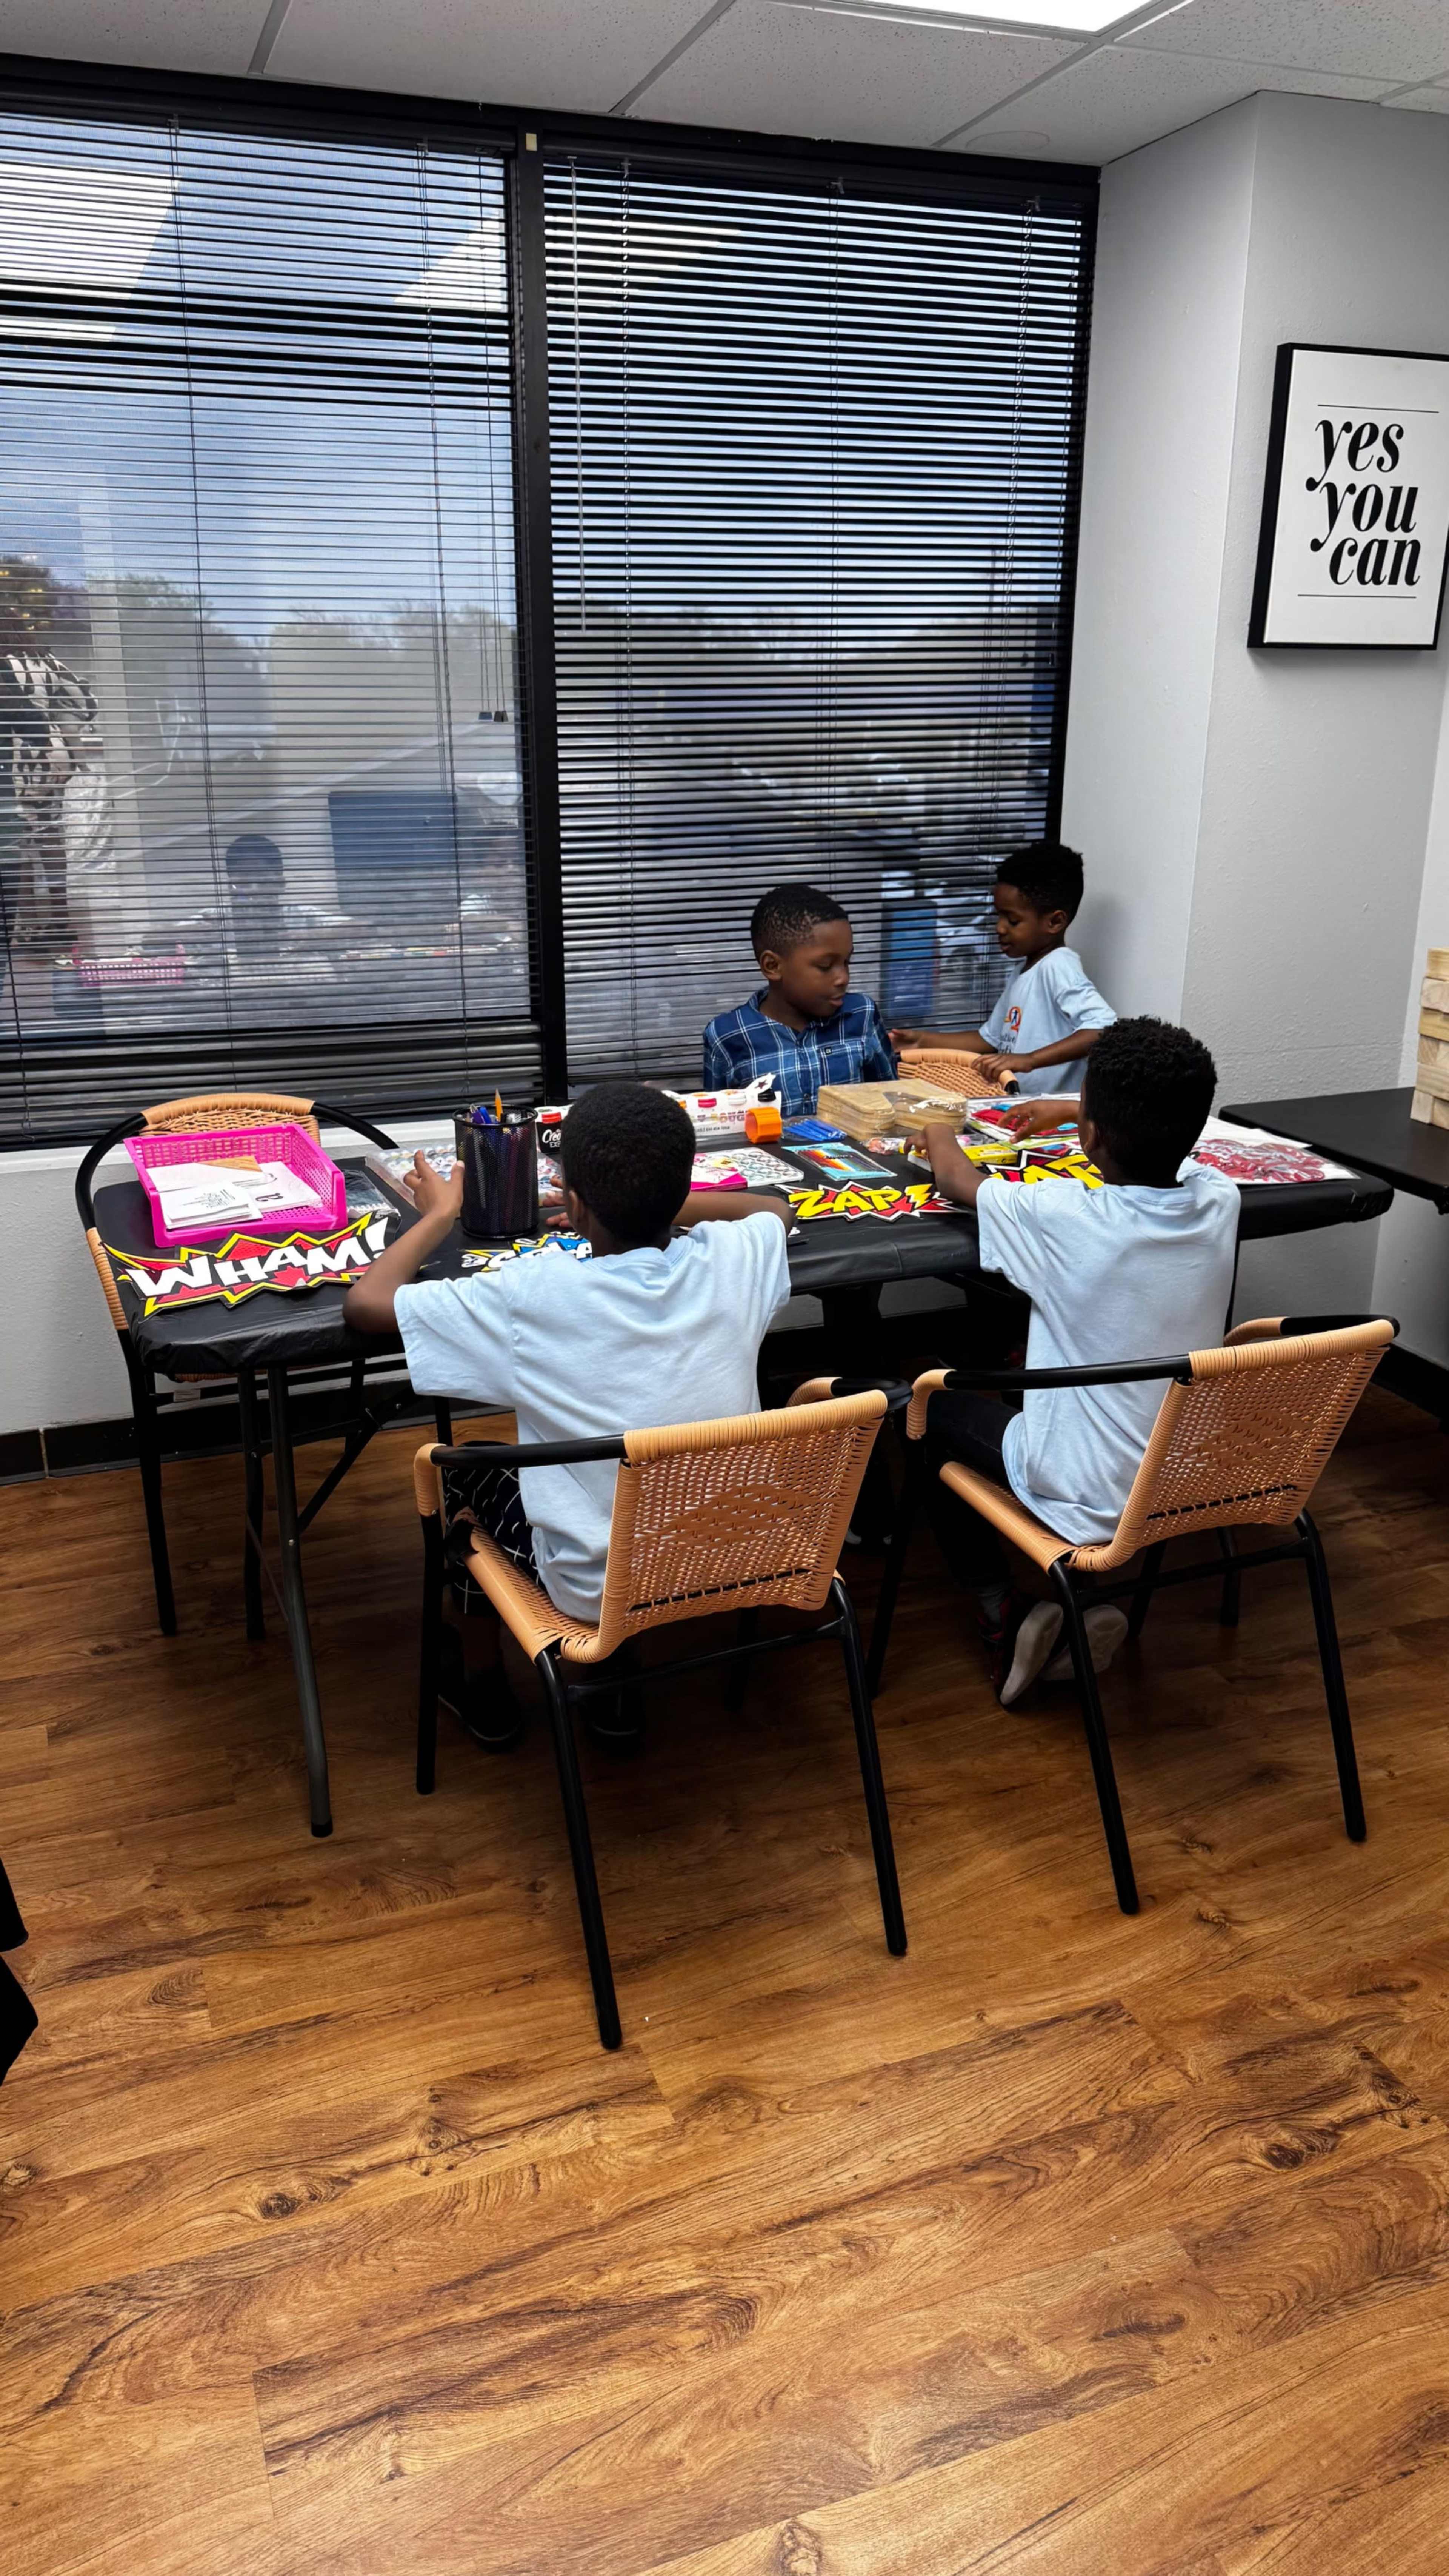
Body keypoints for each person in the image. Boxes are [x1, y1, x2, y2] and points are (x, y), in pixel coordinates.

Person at [344, 1080, 792, 1745]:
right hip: (738, 1545)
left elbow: (367, 1308)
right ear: (676, 1197)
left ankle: (483, 1689)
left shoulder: (534, 1296)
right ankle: (612, 1693)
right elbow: (774, 1209)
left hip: (599, 1583)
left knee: (464, 1474)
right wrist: (653, 1204)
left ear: (575, 1205)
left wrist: (437, 1215)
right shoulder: (738, 1259)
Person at [917, 1016, 1237, 1706]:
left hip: (1081, 1488)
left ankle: (1003, 1612)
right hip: (1184, 1472)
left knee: (924, 1408)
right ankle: (1069, 1601)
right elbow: (1189, 1151)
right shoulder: (1221, 1203)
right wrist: (1077, 1108)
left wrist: (938, 1122)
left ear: (1090, 1134)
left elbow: (953, 1179)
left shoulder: (1063, 1216)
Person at [892, 841, 1115, 1098]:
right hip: (1021, 1108)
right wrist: (922, 1040)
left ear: (1055, 922)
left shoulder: (1058, 965)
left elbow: (1103, 1028)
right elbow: (989, 1040)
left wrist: (1029, 1059)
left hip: (1054, 1120)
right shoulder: (1023, 970)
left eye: (1013, 920)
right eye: (998, 916)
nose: (1000, 928)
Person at [703, 882, 896, 1117]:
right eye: (826, 966)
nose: (843, 978)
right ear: (773, 966)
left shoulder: (861, 1016)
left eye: (847, 962)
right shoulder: (728, 1035)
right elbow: (720, 1127)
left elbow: (891, 1104)